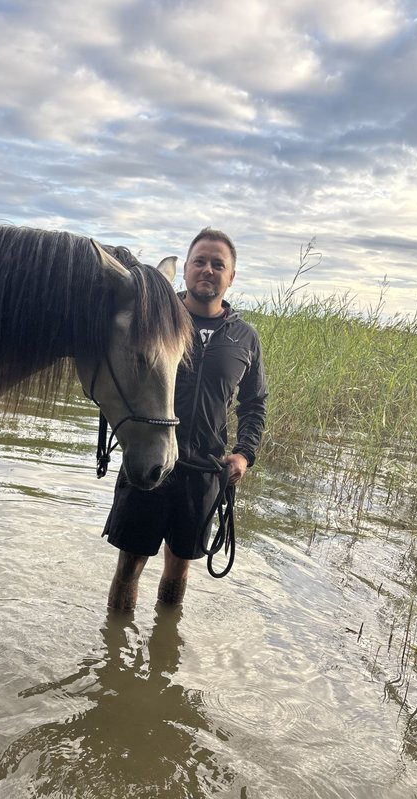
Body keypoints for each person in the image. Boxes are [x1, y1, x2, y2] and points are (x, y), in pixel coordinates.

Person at [103, 227, 268, 609]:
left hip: (204, 470)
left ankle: (165, 639)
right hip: (148, 460)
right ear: (186, 268)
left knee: (179, 567)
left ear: (231, 276)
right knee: (129, 565)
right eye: (199, 261)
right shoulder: (156, 319)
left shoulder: (245, 338)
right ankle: (116, 638)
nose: (207, 270)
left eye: (217, 264)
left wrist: (244, 454)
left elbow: (254, 403)